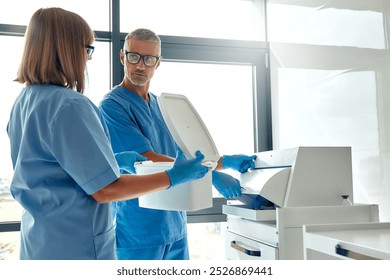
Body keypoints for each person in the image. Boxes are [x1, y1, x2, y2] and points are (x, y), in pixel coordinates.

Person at [6, 8, 209, 260]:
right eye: (87, 49)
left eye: (149, 59)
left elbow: (52, 169)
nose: (87, 59)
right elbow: (106, 190)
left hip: (41, 239)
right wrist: (175, 175)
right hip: (75, 244)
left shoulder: (25, 101)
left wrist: (113, 161)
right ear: (67, 49)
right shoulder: (71, 105)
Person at [99, 28, 257, 260]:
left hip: (174, 225)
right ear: (122, 56)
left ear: (158, 63)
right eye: (134, 56)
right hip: (139, 231)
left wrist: (226, 161)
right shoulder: (113, 106)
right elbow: (147, 159)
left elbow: (184, 159)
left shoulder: (161, 105)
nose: (140, 66)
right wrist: (210, 175)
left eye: (149, 59)